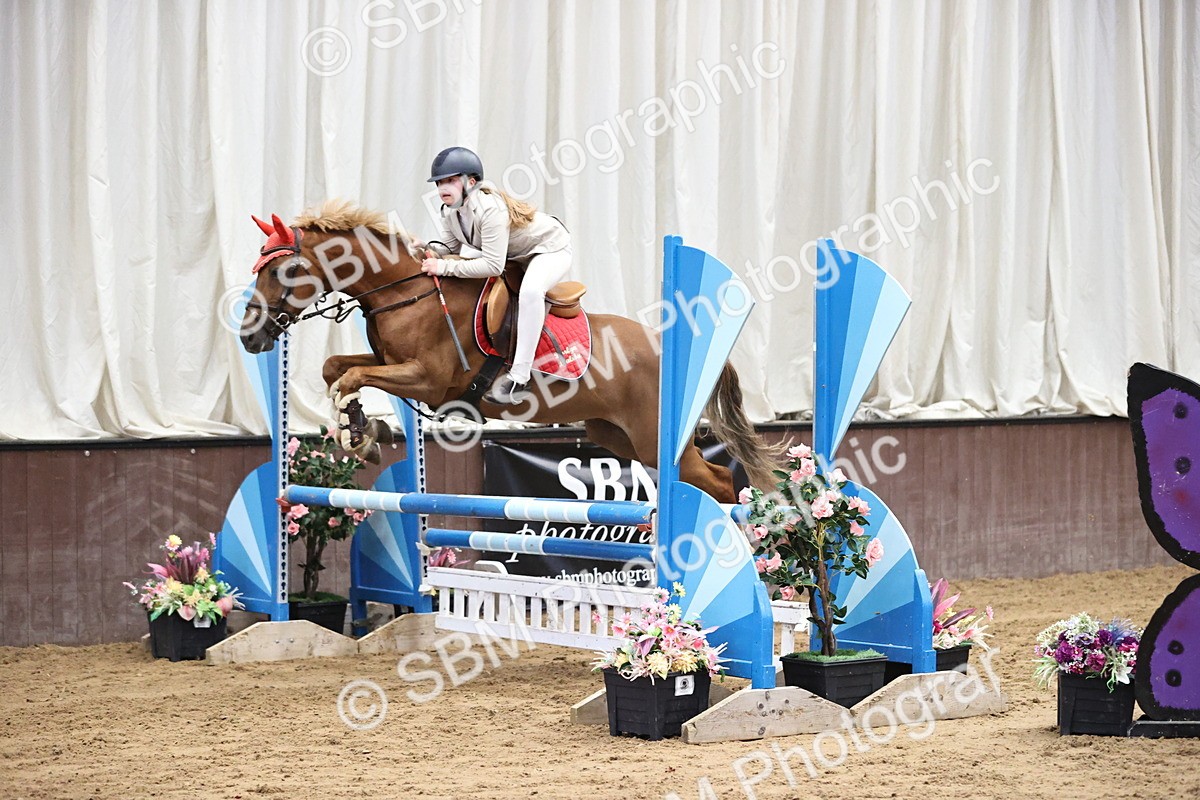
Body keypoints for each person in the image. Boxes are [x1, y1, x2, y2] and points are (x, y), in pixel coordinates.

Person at [419, 146, 573, 405]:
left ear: (471, 182)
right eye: (439, 183)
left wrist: (443, 267)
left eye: (450, 180)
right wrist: (422, 249)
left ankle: (519, 377)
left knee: (532, 291)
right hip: (516, 256)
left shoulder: (491, 210)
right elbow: (449, 250)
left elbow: (491, 265)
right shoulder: (450, 211)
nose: (443, 188)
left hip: (550, 249)